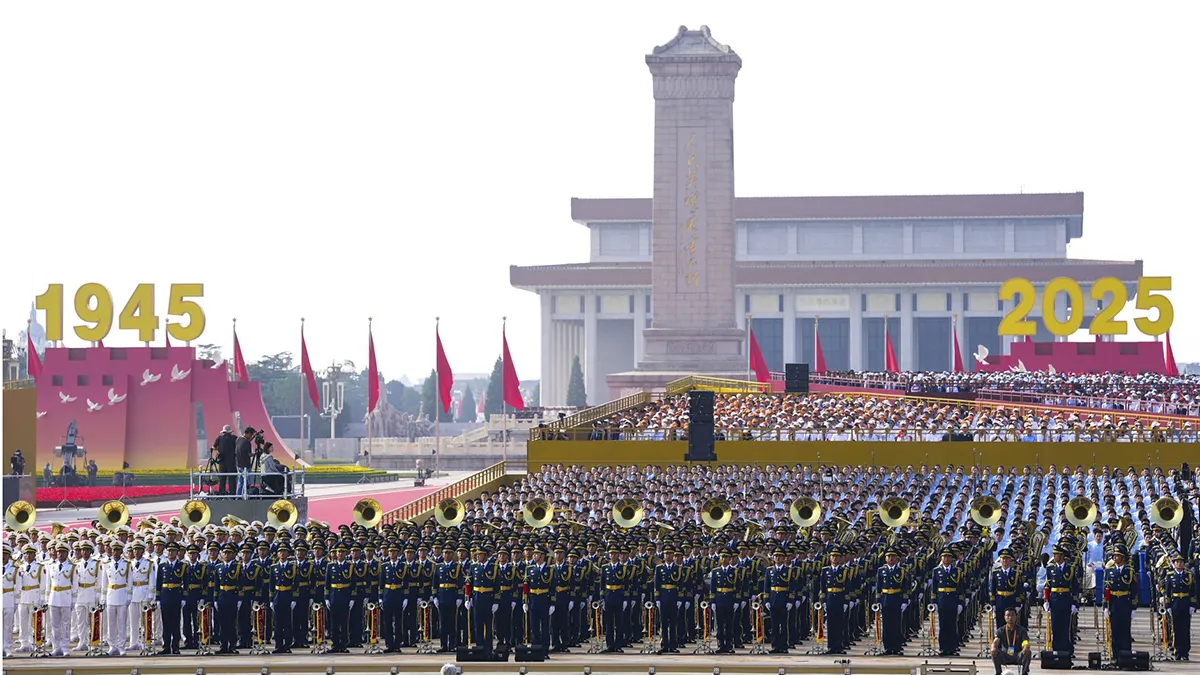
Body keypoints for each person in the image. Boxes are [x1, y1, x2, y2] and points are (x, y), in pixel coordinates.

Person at [991, 607, 1032, 675]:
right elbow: (996, 641)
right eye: (1008, 615)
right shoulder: (1001, 630)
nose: (1010, 617)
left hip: (1017, 655)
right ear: (1004, 617)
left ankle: (1024, 673)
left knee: (1028, 652)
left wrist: (1025, 647)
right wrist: (993, 647)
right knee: (995, 652)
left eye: (1012, 615)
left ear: (1016, 616)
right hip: (1005, 655)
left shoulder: (1022, 630)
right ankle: (998, 672)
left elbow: (1025, 641)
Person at [214, 425, 238, 495]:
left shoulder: (219, 438)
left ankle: (222, 493)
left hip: (222, 462)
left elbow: (214, 447)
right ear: (230, 432)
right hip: (231, 462)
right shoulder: (234, 438)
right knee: (232, 479)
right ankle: (232, 494)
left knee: (222, 478)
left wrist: (219, 450)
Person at [235, 427, 255, 499]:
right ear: (249, 434)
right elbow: (249, 454)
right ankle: (245, 496)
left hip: (239, 464)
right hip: (246, 465)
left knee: (240, 481)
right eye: (252, 435)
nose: (252, 436)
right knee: (246, 482)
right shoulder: (247, 443)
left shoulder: (238, 439)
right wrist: (254, 454)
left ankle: (238, 496)